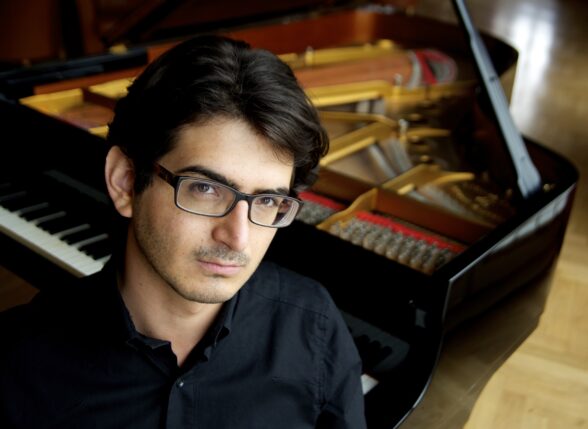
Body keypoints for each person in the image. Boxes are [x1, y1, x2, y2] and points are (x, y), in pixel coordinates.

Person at [0, 35, 366, 428]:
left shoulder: (314, 325)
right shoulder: (17, 364)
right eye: (205, 188)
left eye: (266, 201)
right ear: (125, 181)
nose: (238, 238)